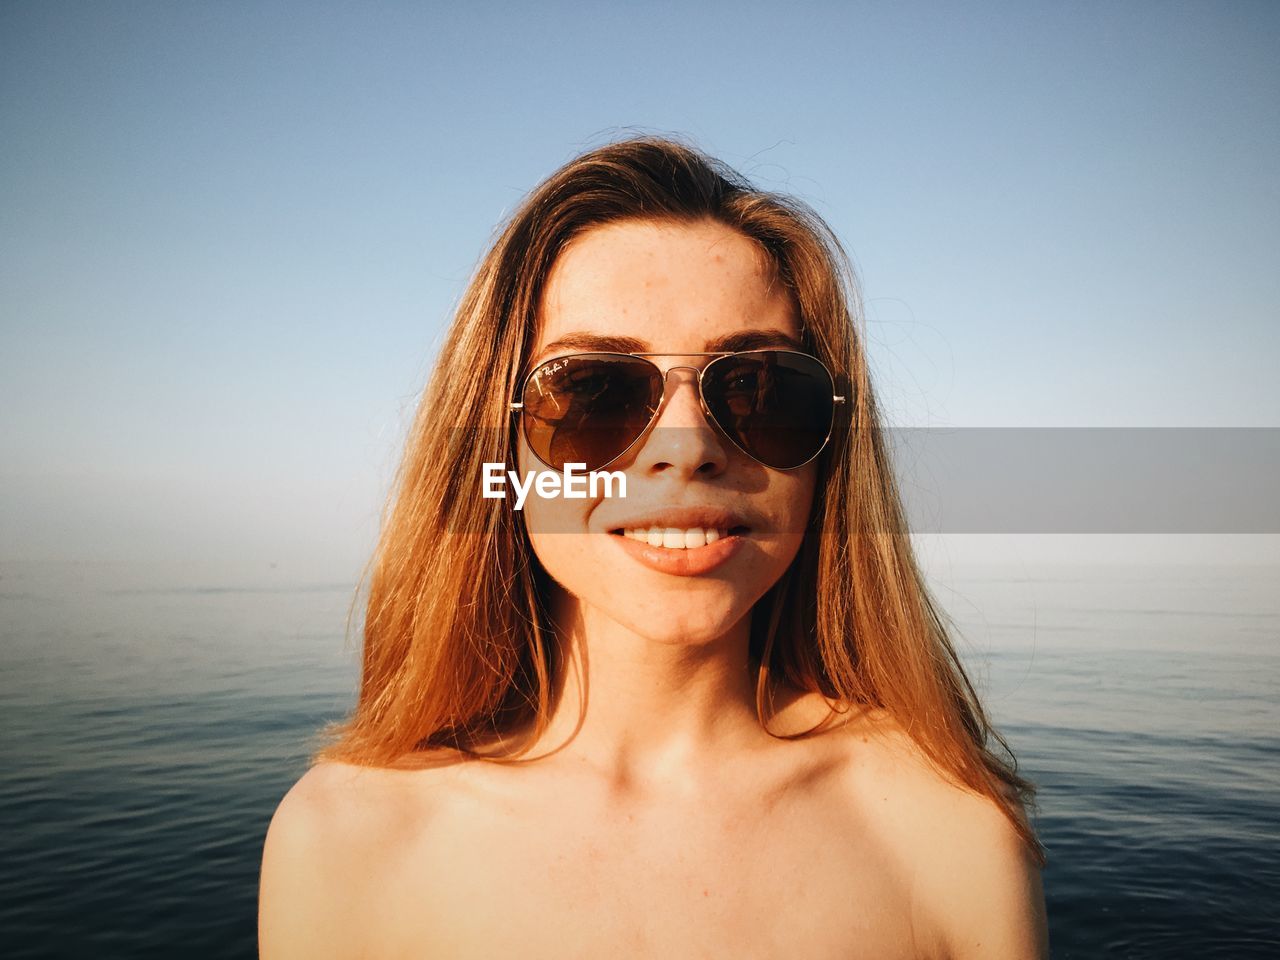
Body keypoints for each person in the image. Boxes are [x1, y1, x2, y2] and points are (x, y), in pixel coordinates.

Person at [258, 136, 1049, 958]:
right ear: (496, 453)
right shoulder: (343, 840)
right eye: (594, 389)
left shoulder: (948, 829)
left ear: (828, 454)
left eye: (759, 388)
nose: (686, 445)